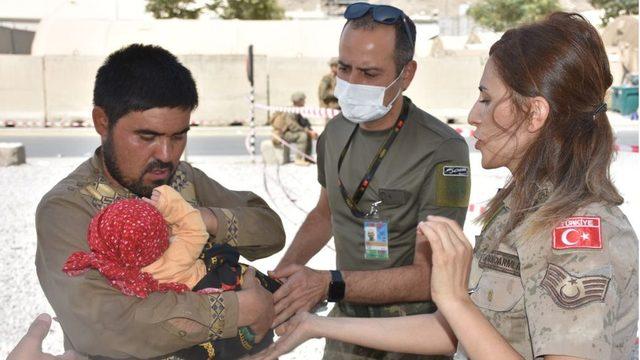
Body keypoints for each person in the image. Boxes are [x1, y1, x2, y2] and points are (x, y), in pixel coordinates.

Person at [254, 12, 639, 360]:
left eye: (487, 100)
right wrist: (316, 326)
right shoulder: (518, 211)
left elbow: (454, 309)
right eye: (345, 68)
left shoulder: (577, 234)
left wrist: (455, 301)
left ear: (534, 113)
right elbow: (460, 332)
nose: (473, 116)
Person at [35, 44, 285, 359]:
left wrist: (201, 219)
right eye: (147, 137)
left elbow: (270, 231)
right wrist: (237, 310)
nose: (166, 156)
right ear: (102, 122)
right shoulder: (68, 207)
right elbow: (105, 327)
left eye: (178, 136)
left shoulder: (181, 179)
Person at [270, 3, 470, 359]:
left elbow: (432, 275)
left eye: (370, 73)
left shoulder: (443, 150)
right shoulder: (334, 133)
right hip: (345, 322)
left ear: (406, 75)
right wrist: (285, 279)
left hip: (411, 333)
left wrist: (327, 284)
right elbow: (325, 213)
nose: (352, 84)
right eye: (344, 68)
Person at [62, 185, 279, 358]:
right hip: (214, 283)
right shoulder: (176, 254)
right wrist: (167, 201)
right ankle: (281, 293)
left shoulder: (121, 274)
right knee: (257, 281)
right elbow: (194, 228)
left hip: (189, 317)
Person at [270, 91, 318, 166]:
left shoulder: (298, 110)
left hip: (289, 133)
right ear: (299, 101)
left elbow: (304, 123)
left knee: (306, 134)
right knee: (302, 136)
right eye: (303, 100)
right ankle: (298, 159)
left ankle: (307, 157)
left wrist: (310, 131)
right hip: (283, 134)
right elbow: (293, 126)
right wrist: (307, 131)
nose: (304, 102)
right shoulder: (291, 111)